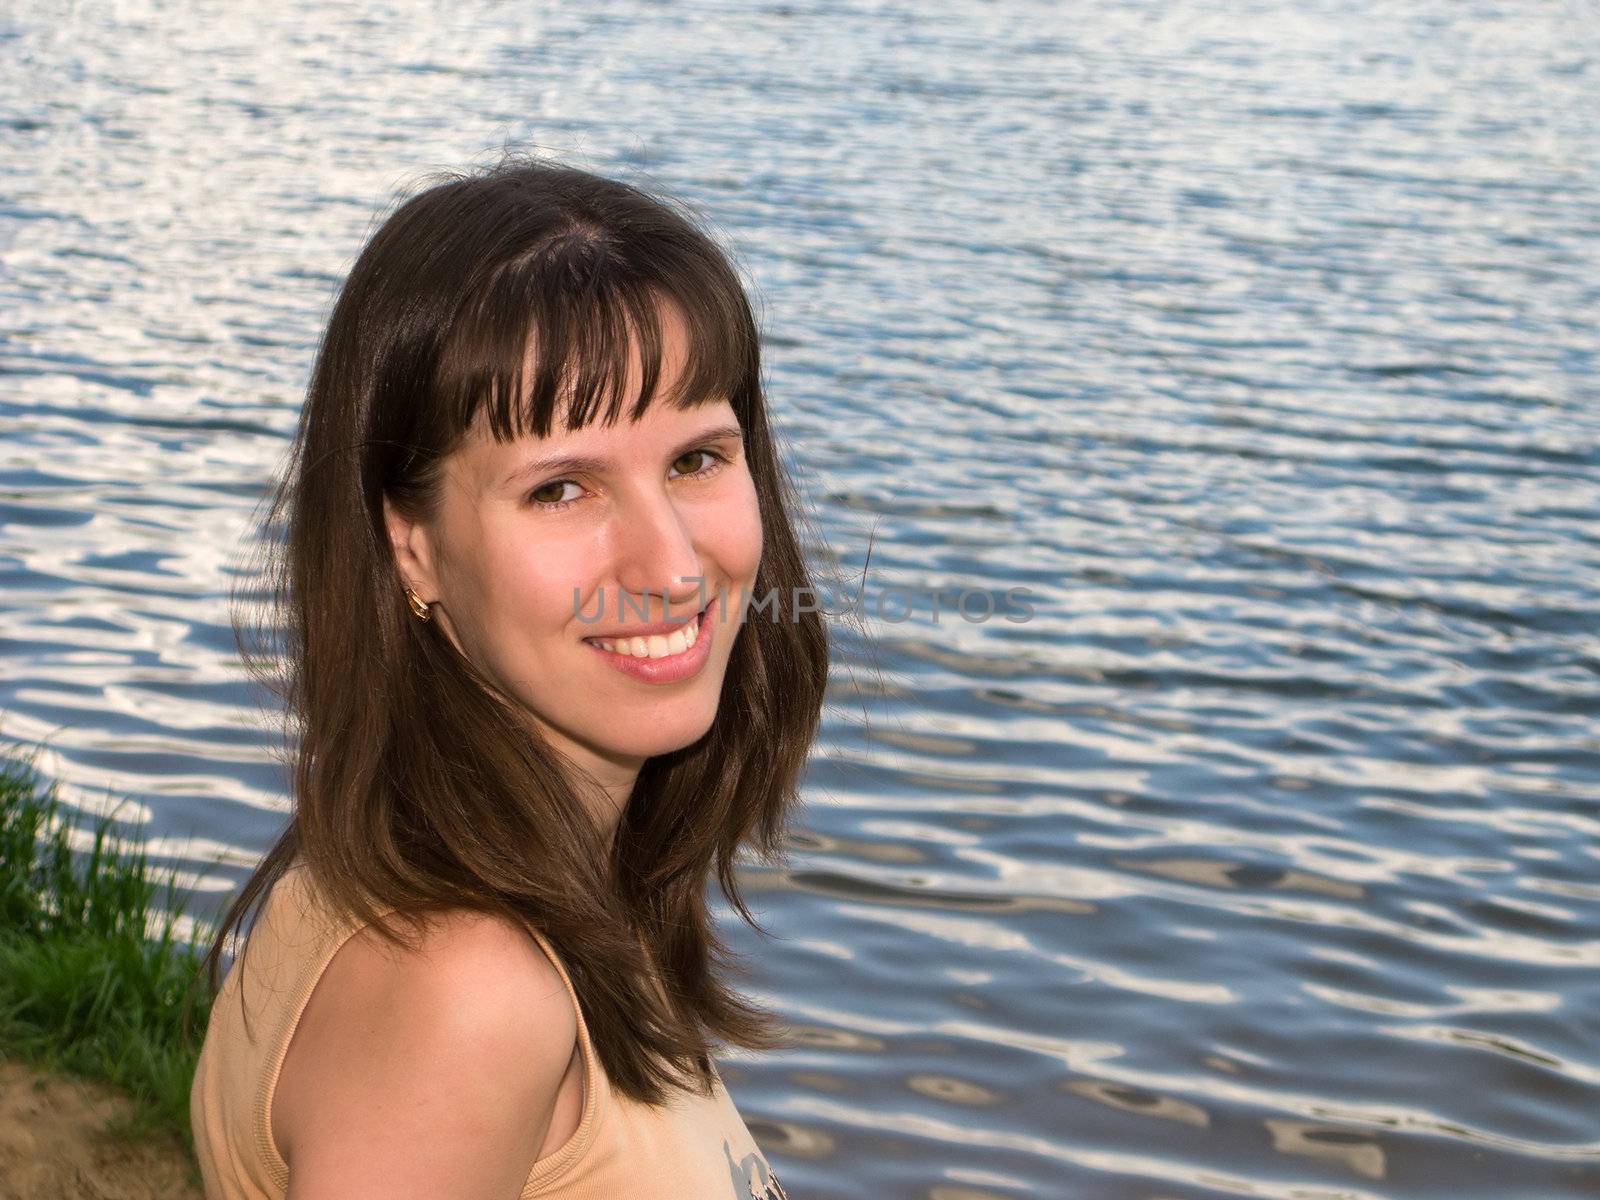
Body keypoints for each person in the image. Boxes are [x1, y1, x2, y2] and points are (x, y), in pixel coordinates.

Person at [185, 154, 828, 1200]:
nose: (669, 567)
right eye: (563, 488)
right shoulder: (467, 992)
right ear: (413, 548)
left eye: (696, 460)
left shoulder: (470, 873)